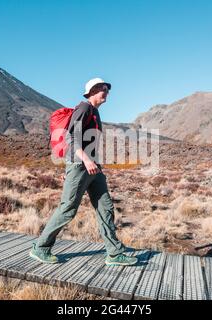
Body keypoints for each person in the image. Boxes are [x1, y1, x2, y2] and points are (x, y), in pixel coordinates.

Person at [29, 78, 138, 266]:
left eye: (107, 89)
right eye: (103, 89)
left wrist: (91, 162)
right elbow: (70, 137)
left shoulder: (94, 112)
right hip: (81, 166)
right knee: (68, 209)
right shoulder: (84, 108)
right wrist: (81, 162)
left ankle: (114, 253)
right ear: (93, 91)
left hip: (93, 168)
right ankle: (41, 247)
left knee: (106, 208)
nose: (107, 92)